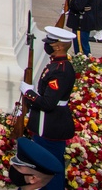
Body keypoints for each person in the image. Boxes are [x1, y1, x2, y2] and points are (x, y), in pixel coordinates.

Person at [21, 26, 76, 190]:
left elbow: (48, 103)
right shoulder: (56, 65)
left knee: (50, 167)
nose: (47, 46)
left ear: (59, 46)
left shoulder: (60, 71)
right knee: (44, 165)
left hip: (51, 125)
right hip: (46, 123)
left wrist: (29, 93)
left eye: (50, 43)